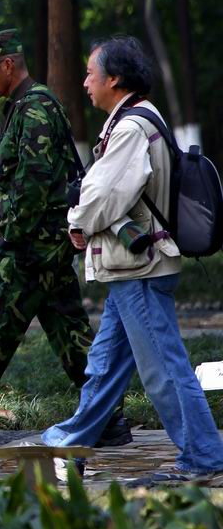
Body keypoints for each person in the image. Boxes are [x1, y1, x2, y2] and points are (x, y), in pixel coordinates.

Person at [0, 29, 131, 451]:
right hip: (47, 244)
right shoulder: (26, 107)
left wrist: (11, 237)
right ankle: (107, 419)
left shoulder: (34, 110)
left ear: (8, 64)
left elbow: (32, 187)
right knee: (70, 335)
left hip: (31, 248)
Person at [43, 36, 223, 485]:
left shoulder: (129, 128)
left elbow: (104, 193)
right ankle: (70, 445)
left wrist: (77, 221)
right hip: (132, 268)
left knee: (163, 368)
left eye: (90, 73)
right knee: (104, 366)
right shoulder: (137, 119)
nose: (85, 82)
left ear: (114, 79)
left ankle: (203, 455)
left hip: (140, 270)